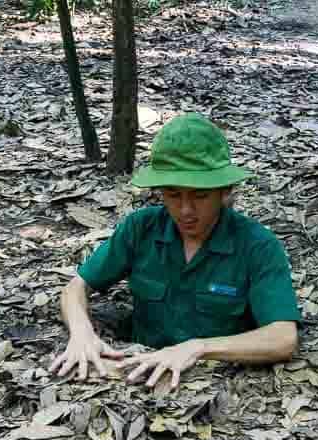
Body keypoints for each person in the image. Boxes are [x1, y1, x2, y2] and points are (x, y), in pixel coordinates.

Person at [49, 113, 300, 389]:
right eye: (172, 194)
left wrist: (198, 348)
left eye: (200, 196)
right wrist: (82, 334)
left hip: (216, 384)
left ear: (224, 191)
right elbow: (76, 287)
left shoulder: (257, 245)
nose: (185, 210)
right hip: (137, 372)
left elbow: (283, 338)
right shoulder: (141, 228)